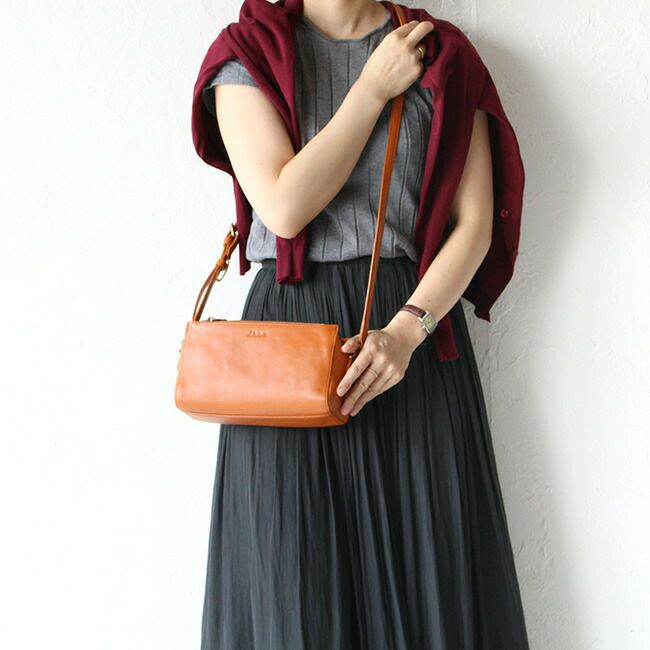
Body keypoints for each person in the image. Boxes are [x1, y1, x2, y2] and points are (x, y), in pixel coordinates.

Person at [195, 1, 531, 648]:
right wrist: (373, 88)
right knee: (293, 583)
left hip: (411, 340)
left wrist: (407, 331)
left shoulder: (440, 53)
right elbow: (284, 207)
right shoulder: (248, 52)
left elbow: (474, 225)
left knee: (428, 580)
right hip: (286, 346)